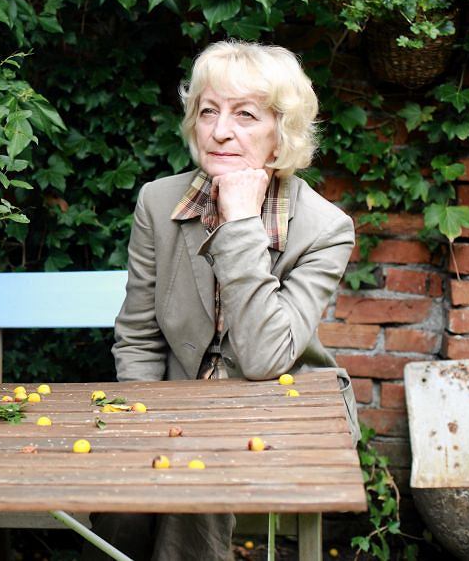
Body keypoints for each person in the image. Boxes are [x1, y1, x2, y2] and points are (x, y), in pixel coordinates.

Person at [86, 40, 359, 561]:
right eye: (208, 111)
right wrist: (145, 423)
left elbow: (264, 358)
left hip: (281, 409)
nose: (219, 131)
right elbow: (139, 335)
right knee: (123, 500)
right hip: (174, 406)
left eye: (245, 115)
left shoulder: (325, 229)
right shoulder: (158, 202)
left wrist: (240, 223)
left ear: (282, 131)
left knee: (200, 480)